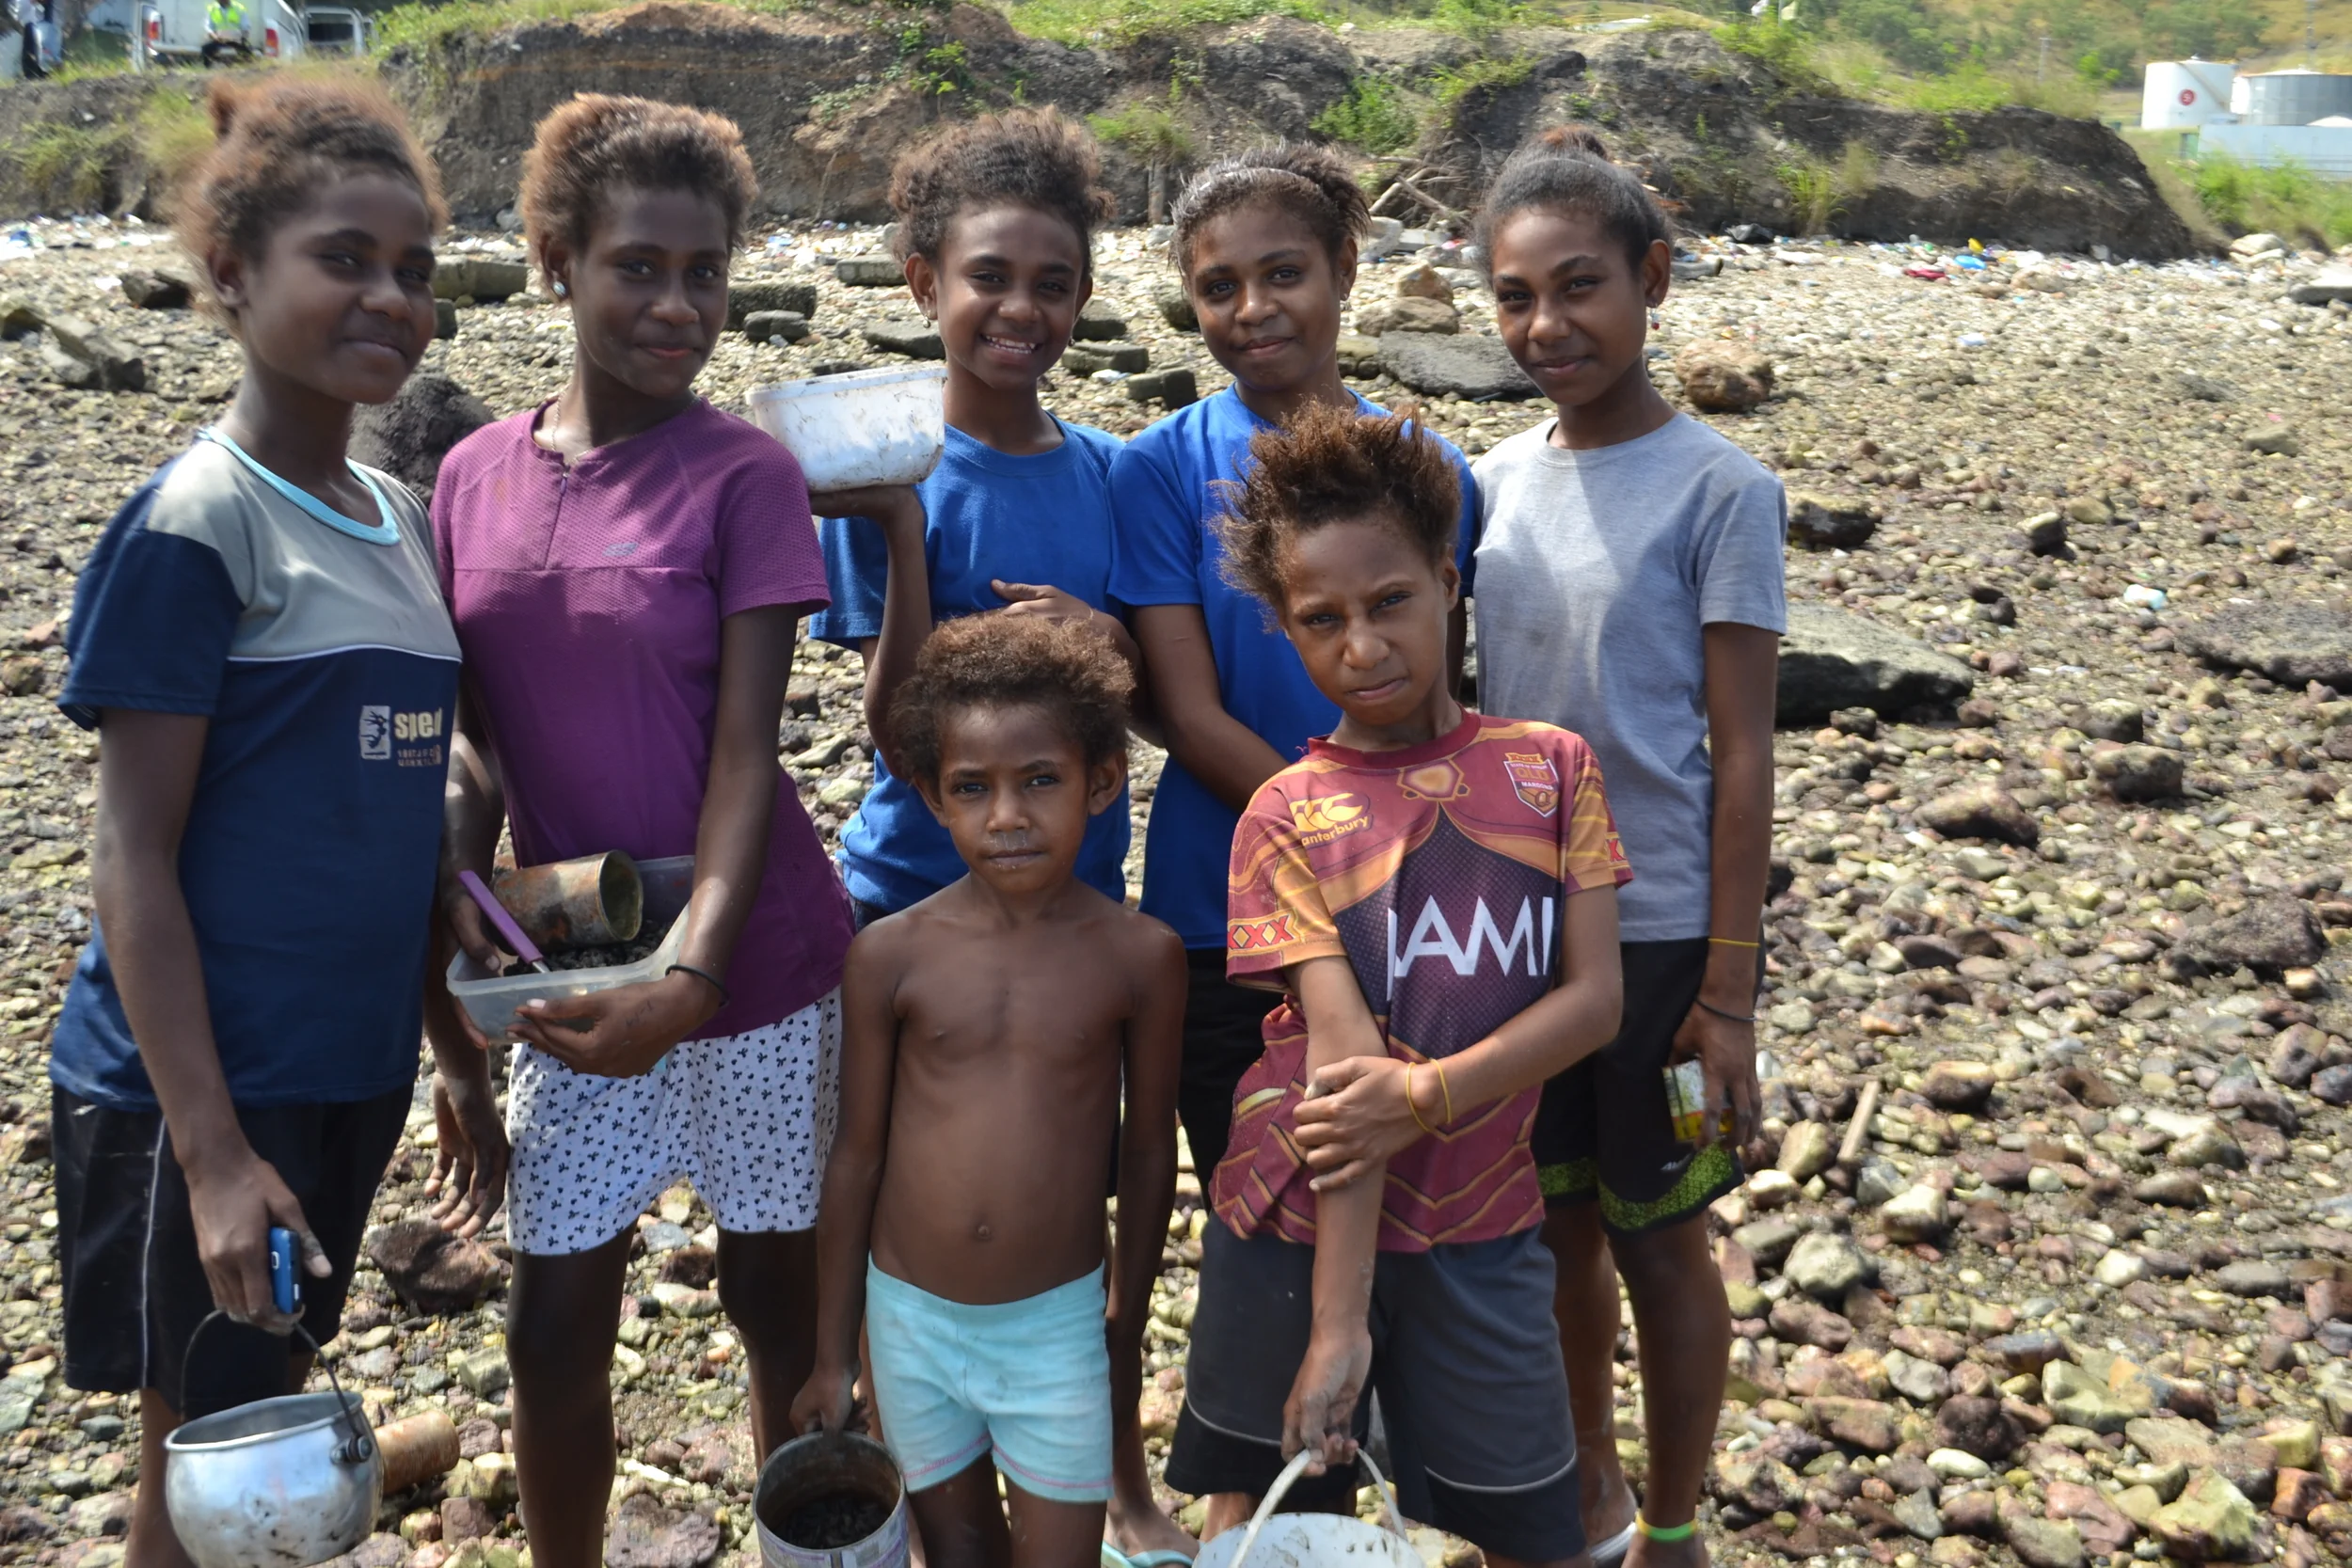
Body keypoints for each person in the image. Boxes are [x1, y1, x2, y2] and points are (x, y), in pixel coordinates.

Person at [48, 77, 504, 1568]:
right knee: (212, 1452)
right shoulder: (197, 523)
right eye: (346, 258)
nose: (392, 295)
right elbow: (133, 856)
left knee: (262, 1410)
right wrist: (213, 1151)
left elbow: (404, 827)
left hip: (346, 1061)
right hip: (204, 1083)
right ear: (234, 273)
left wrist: (452, 1057)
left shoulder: (398, 518)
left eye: (417, 268)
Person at [426, 95, 853, 1568]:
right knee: (552, 1321)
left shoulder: (744, 477)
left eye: (707, 272)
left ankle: (810, 1543)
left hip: (760, 965)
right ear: (554, 259)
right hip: (577, 958)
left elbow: (746, 752)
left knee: (773, 1299)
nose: (678, 304)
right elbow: (479, 732)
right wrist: (461, 883)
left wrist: (694, 976)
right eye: (638, 266)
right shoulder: (470, 478)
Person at [809, 108, 1187, 1558]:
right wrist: (908, 536)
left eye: (1053, 283)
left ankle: (1091, 1442)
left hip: (1080, 894)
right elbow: (884, 725)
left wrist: (1109, 644)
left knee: (1063, 1157)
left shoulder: (1112, 470)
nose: (1019, 309)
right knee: (911, 1164)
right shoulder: (886, 466)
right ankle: (910, 1437)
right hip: (907, 889)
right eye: (988, 277)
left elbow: (1142, 707)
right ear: (924, 283)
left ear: (1085, 298)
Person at [1164, 403, 1626, 1568]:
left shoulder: (1550, 771)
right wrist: (1335, 1325)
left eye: (1390, 603)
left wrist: (1429, 1098)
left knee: (1527, 1518)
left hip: (1482, 1216)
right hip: (1295, 1206)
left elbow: (1594, 1003)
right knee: (1264, 1508)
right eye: (1321, 621)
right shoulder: (1285, 812)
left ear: (1447, 576)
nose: (1361, 645)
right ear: (1282, 628)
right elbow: (1340, 1057)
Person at [1105, 154, 1480, 1461]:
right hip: (1229, 918)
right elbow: (1187, 704)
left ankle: (1407, 1467)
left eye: (1283, 273)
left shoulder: (1432, 467)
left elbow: (1449, 698)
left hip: (1426, 920)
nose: (1253, 306)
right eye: (1218, 286)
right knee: (1266, 1206)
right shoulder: (1158, 471)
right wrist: (1335, 841)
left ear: (1344, 274)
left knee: (1426, 1208)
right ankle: (1289, 1491)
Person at [1470, 127, 1787, 1568]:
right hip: (1515, 934)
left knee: (1661, 1232)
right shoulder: (1489, 479)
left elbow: (1741, 754)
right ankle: (1587, 1479)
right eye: (1516, 297)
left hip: (1656, 934)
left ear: (1653, 278)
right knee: (1553, 1230)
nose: (1549, 326)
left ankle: (1674, 1514)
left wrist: (1730, 986)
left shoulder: (1724, 489)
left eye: (1580, 287)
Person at [792, 614, 1184, 1568]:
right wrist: (833, 1349)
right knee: (958, 1549)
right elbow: (857, 1154)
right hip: (909, 1321)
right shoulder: (888, 955)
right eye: (973, 788)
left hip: (1055, 1323)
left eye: (1038, 780)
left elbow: (1143, 1151)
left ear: (1101, 780)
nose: (1007, 816)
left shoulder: (1142, 957)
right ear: (931, 795)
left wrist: (1125, 1313)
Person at [201, 0, 247, 67]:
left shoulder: (239, 8)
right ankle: (208, 70)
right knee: (206, 49)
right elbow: (209, 27)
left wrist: (243, 37)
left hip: (236, 41)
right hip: (219, 40)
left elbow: (245, 26)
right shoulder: (213, 8)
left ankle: (245, 70)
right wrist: (214, 36)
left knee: (247, 54)